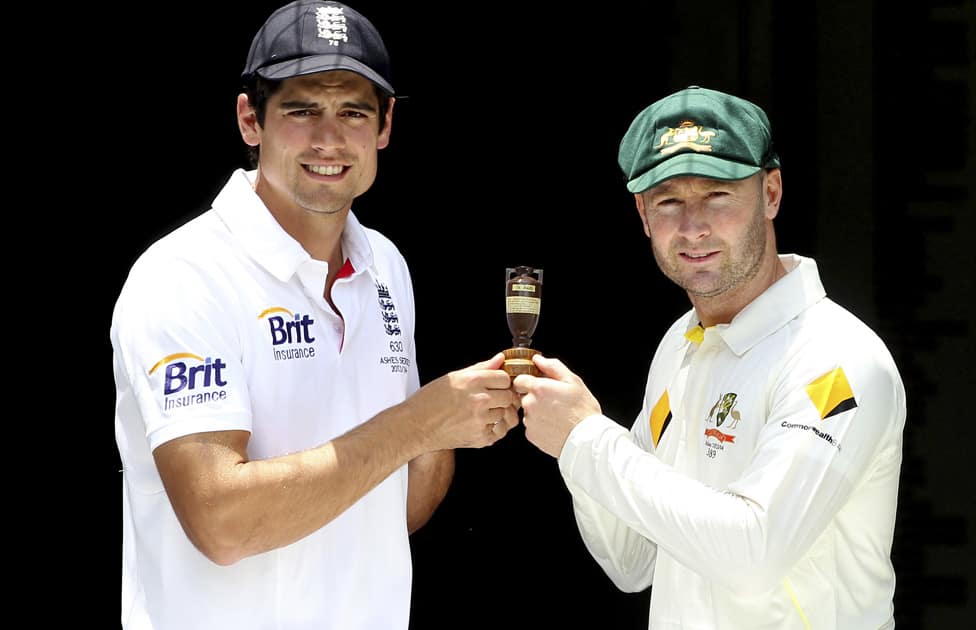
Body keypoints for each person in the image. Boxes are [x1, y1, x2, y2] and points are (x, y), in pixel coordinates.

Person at [111, 2, 519, 628]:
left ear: (386, 125)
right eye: (302, 109)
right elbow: (223, 525)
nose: (329, 139)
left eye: (353, 111)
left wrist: (455, 425)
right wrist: (420, 422)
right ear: (251, 119)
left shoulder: (384, 263)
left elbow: (395, 512)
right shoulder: (184, 275)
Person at [514, 86, 906, 628]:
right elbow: (633, 561)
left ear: (771, 194)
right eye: (669, 200)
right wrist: (573, 444)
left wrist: (587, 439)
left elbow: (753, 556)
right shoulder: (681, 342)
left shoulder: (837, 357)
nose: (694, 226)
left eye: (719, 194)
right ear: (643, 214)